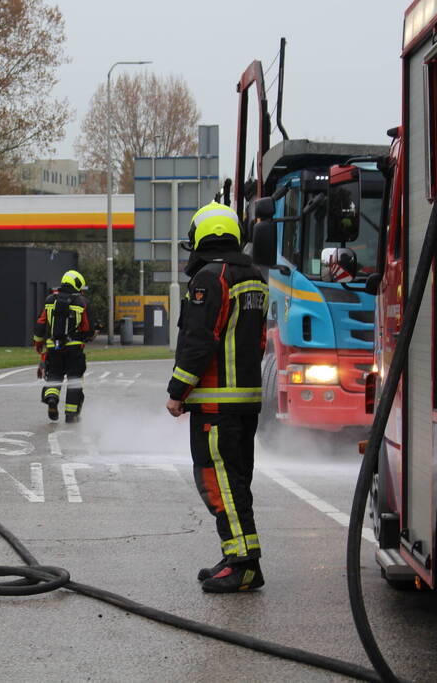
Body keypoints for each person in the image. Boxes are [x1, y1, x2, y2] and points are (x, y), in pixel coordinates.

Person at [165, 201, 269, 593]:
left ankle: (244, 565)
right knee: (236, 480)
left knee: (219, 481)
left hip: (215, 404)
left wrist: (178, 391)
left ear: (200, 237)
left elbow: (199, 339)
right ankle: (235, 554)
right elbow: (257, 341)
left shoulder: (211, 278)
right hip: (244, 402)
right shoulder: (254, 277)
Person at [33, 269, 93, 423]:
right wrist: (88, 336)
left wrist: (38, 343)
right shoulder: (81, 302)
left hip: (54, 347)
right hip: (74, 349)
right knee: (75, 380)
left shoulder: (49, 300)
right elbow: (87, 327)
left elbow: (41, 324)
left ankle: (52, 398)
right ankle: (71, 414)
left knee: (54, 376)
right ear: (76, 284)